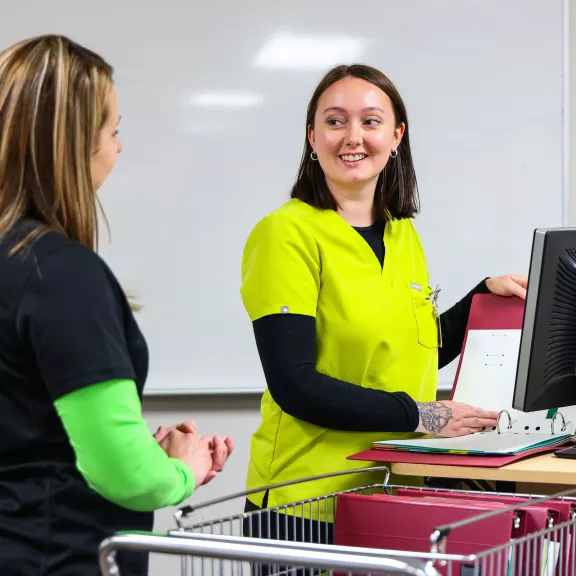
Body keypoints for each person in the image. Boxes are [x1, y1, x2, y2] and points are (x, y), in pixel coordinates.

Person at [240, 64, 527, 543]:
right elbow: (295, 384)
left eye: (370, 122)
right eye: (335, 121)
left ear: (396, 136)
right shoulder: (285, 233)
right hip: (306, 505)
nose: (353, 137)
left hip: (393, 494)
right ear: (312, 136)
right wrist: (426, 415)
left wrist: (482, 296)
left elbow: (416, 348)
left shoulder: (401, 231)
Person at [0, 35, 233, 576]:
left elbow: (33, 429)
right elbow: (123, 473)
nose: (119, 147)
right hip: (56, 556)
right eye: (114, 129)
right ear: (73, 141)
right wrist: (183, 469)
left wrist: (141, 447)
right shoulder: (60, 274)